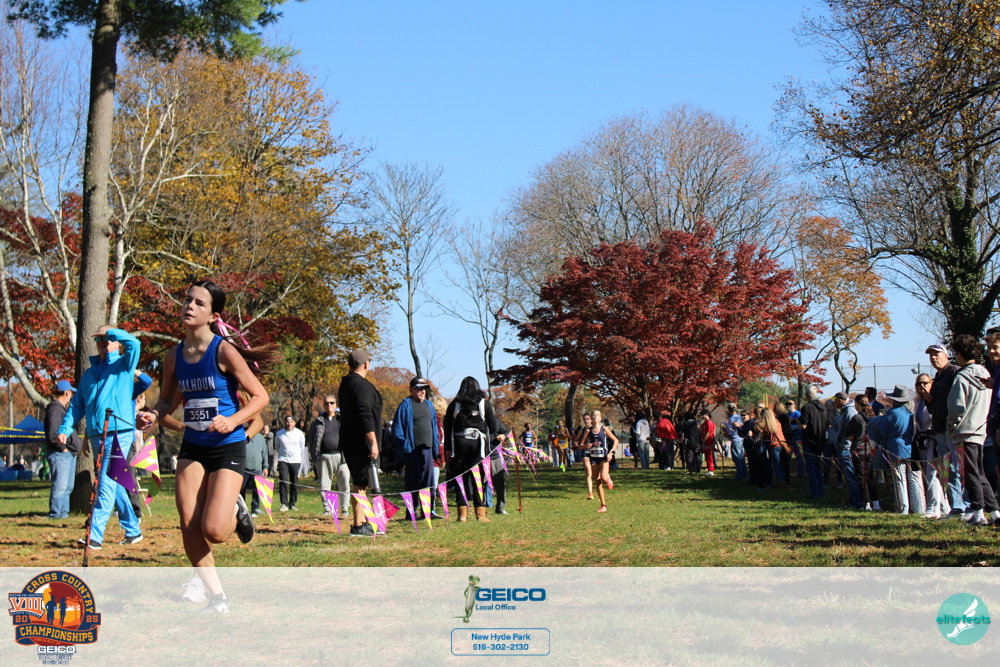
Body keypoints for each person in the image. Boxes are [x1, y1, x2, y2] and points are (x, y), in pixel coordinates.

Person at [138, 280, 274, 613]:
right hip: (193, 446)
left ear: (213, 316)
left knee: (214, 530)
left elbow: (261, 397)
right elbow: (167, 400)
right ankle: (218, 597)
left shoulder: (223, 351)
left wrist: (233, 420)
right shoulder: (174, 356)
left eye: (199, 303)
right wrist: (152, 414)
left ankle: (235, 510)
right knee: (189, 523)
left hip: (227, 445)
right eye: (188, 300)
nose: (190, 306)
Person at [58, 325, 143, 549]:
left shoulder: (124, 365)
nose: (103, 342)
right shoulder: (89, 374)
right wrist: (65, 429)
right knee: (114, 482)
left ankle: (94, 535)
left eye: (108, 339)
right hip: (97, 434)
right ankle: (133, 530)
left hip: (119, 432)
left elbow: (135, 344)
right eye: (99, 340)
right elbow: (77, 406)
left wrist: (111, 332)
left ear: (117, 342)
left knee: (105, 481)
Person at [946, 334, 1000, 526]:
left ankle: (978, 513)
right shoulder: (986, 373)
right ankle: (994, 512)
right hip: (982, 430)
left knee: (970, 474)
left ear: (959, 354)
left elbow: (956, 407)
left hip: (966, 431)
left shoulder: (961, 377)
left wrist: (952, 427)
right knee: (980, 473)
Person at [444, 377, 504, 522]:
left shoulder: (455, 404)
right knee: (478, 479)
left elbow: (447, 427)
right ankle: (480, 514)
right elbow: (493, 427)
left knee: (461, 478)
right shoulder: (484, 403)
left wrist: (448, 449)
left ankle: (462, 515)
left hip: (459, 444)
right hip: (479, 445)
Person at [337, 349, 383, 537]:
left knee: (359, 482)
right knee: (361, 483)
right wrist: (373, 441)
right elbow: (365, 414)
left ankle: (362, 521)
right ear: (366, 364)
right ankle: (358, 525)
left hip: (349, 441)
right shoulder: (361, 385)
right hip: (361, 442)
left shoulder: (346, 384)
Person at [926, 343, 969, 518]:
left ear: (946, 355)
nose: (933, 358)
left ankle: (965, 505)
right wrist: (929, 400)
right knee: (948, 470)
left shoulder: (954, 372)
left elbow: (960, 399)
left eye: (937, 354)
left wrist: (955, 424)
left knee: (957, 468)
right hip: (940, 430)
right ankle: (956, 506)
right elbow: (935, 406)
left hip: (953, 429)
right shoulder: (938, 377)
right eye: (931, 355)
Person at [392, 377, 440, 519]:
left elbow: (434, 427)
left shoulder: (429, 405)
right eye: (419, 388)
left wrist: (435, 444)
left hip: (428, 449)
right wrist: (405, 447)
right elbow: (397, 430)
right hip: (412, 451)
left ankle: (427, 512)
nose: (422, 391)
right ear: (411, 389)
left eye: (424, 389)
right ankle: (411, 513)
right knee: (412, 483)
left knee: (428, 483)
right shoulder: (405, 405)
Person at [868, 385, 917, 514]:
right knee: (913, 478)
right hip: (910, 446)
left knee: (899, 478)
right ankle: (917, 507)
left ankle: (902, 507)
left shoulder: (892, 413)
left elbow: (883, 431)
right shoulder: (911, 412)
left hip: (895, 447)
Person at [308, 395, 349, 517]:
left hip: (342, 457)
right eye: (326, 403)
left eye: (331, 403)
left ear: (336, 404)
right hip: (324, 457)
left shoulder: (343, 419)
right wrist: (314, 456)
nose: (329, 405)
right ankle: (328, 509)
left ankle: (345, 509)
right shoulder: (318, 422)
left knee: (344, 484)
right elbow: (311, 439)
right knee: (325, 485)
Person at [45, 380, 81, 519]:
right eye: (70, 393)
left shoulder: (61, 409)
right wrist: (63, 449)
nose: (71, 396)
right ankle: (55, 513)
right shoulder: (55, 409)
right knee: (60, 486)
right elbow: (53, 433)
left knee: (67, 487)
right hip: (60, 453)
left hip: (67, 454)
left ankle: (63, 513)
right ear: (66, 393)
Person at [914, 373, 948, 518]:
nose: (922, 386)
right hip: (923, 441)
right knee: (929, 475)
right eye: (919, 383)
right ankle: (944, 507)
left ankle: (933, 508)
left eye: (925, 383)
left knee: (933, 474)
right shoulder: (917, 401)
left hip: (934, 440)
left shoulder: (935, 399)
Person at [846, 395, 881, 510]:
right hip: (870, 450)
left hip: (859, 450)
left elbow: (848, 434)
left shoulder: (857, 418)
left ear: (857, 404)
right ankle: (876, 504)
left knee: (861, 477)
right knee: (869, 477)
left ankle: (866, 504)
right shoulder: (872, 417)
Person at [798, 385, 828, 499]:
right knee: (818, 467)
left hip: (809, 441)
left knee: (811, 468)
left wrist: (797, 420)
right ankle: (820, 490)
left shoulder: (807, 407)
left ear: (807, 395)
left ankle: (814, 492)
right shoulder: (823, 407)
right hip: (820, 440)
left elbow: (803, 425)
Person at [584, 409, 617, 512]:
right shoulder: (588, 431)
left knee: (603, 477)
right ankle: (603, 505)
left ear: (600, 418)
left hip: (604, 457)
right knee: (597, 480)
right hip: (594, 457)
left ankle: (607, 478)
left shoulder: (604, 429)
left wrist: (611, 452)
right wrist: (586, 445)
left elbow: (616, 440)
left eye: (597, 415)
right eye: (593, 415)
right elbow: (580, 445)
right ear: (591, 418)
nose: (595, 417)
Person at [276, 416, 304, 511]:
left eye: (291, 422)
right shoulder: (279, 434)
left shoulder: (299, 433)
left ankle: (292, 503)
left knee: (294, 482)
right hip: (283, 460)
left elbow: (302, 447)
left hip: (295, 460)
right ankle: (284, 503)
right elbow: (277, 446)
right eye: (288, 422)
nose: (289, 424)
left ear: (294, 423)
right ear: (285, 422)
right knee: (283, 481)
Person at [754, 407, 787, 489]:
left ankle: (780, 482)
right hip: (782, 444)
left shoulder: (766, 426)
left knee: (776, 466)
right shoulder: (777, 422)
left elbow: (765, 438)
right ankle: (785, 481)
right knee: (782, 465)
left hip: (773, 446)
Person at [242, 413, 268, 516]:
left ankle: (255, 508)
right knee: (241, 490)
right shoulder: (243, 435)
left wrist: (265, 466)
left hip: (257, 468)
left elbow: (264, 453)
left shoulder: (261, 438)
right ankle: (242, 508)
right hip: (244, 468)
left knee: (257, 489)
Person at [722, 404, 747, 480]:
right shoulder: (739, 417)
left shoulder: (731, 419)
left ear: (729, 410)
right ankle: (744, 473)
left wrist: (725, 430)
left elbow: (730, 432)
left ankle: (740, 474)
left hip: (735, 439)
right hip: (741, 439)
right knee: (741, 457)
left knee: (737, 458)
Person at [575, 413, 596, 499]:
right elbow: (576, 440)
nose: (586, 421)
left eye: (588, 419)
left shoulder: (595, 429)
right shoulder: (582, 430)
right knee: (588, 472)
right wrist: (576, 443)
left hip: (595, 452)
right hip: (585, 452)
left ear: (591, 419)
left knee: (596, 473)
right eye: (585, 419)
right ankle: (590, 493)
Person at [700, 410, 716, 476]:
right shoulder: (704, 423)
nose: (701, 417)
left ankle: (711, 470)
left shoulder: (709, 423)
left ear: (707, 415)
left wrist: (703, 441)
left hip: (709, 442)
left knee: (709, 456)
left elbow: (708, 433)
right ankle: (709, 469)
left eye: (702, 415)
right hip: (706, 442)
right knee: (707, 456)